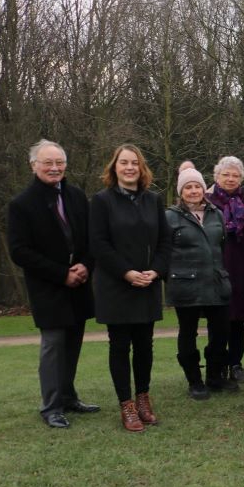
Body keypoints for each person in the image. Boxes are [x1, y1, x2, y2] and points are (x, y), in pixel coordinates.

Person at [7, 139, 99, 428]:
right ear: (34, 165)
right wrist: (62, 274)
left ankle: (69, 397)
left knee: (73, 344)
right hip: (49, 288)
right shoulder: (21, 204)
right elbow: (20, 251)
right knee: (53, 347)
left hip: (79, 285)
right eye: (48, 163)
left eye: (59, 162)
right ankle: (51, 407)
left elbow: (90, 237)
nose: (54, 168)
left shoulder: (75, 195)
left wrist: (85, 265)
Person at [89, 144, 171, 432]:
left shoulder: (153, 200)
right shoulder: (101, 201)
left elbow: (164, 241)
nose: (129, 168)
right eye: (123, 163)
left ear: (141, 167)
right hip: (116, 286)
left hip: (147, 284)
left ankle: (144, 399)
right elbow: (98, 244)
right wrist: (126, 273)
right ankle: (127, 405)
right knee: (120, 346)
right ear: (114, 167)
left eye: (134, 163)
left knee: (145, 346)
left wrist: (156, 271)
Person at [165, 165, 237, 400]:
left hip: (216, 282)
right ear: (181, 191)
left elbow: (221, 246)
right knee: (188, 333)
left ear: (203, 189)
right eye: (188, 187)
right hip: (186, 285)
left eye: (197, 186)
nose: (194, 191)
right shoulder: (170, 217)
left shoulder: (216, 213)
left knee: (221, 332)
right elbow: (163, 252)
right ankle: (194, 381)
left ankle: (215, 376)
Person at [206, 156, 244, 384]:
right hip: (215, 269)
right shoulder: (206, 202)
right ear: (216, 177)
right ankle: (216, 365)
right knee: (217, 321)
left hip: (241, 268)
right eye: (226, 174)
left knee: (238, 321)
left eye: (235, 175)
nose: (230, 178)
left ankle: (236, 363)